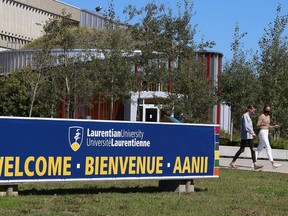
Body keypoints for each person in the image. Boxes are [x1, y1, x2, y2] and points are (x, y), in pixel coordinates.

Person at [229, 105, 263, 170]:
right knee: (242, 149)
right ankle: (232, 162)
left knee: (252, 149)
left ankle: (255, 164)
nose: (253, 112)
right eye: (253, 110)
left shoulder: (248, 116)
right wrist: (252, 133)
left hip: (249, 135)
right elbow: (246, 126)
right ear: (249, 109)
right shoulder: (245, 116)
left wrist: (252, 133)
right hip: (246, 135)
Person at [255, 105, 281, 169]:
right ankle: (273, 163)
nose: (268, 111)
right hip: (262, 132)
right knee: (268, 147)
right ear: (264, 109)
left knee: (259, 148)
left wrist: (274, 126)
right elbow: (257, 126)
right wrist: (261, 124)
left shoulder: (268, 116)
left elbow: (268, 126)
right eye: (267, 109)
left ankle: (253, 163)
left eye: (269, 110)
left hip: (266, 132)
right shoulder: (261, 116)